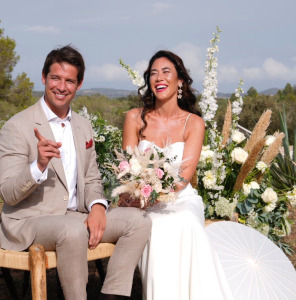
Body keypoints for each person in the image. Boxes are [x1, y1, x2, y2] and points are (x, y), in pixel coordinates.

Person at [0, 45, 152, 300]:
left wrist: (98, 207)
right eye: (55, 78)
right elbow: (8, 194)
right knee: (73, 230)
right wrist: (39, 166)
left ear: (79, 85)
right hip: (28, 222)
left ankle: (111, 296)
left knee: (139, 221)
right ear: (44, 78)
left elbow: (91, 178)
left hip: (74, 216)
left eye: (69, 81)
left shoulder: (82, 125)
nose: (61, 86)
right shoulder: (16, 126)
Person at [121, 50, 233, 299]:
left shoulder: (193, 123)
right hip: (142, 202)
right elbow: (128, 169)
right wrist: (138, 196)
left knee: (182, 223)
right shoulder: (134, 118)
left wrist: (155, 196)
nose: (158, 77)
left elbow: (182, 178)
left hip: (180, 200)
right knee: (153, 225)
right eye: (152, 73)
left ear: (180, 80)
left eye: (165, 71)